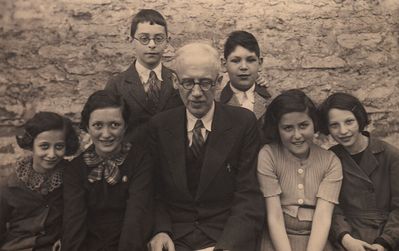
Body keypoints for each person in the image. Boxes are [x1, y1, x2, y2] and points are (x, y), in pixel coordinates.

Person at [147, 42, 264, 251]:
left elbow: (248, 196)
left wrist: (225, 246)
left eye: (205, 83)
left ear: (219, 82)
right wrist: (160, 230)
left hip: (224, 237)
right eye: (188, 83)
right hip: (174, 238)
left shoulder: (242, 123)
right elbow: (154, 191)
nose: (197, 92)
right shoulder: (160, 126)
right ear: (175, 81)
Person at [62, 90, 153, 251]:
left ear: (125, 126)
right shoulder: (75, 169)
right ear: (87, 128)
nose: (106, 134)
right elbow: (73, 222)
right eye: (98, 125)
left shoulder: (140, 161)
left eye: (115, 125)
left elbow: (136, 217)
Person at [257, 89, 342, 251]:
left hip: (316, 239)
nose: (297, 135)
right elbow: (274, 215)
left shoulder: (330, 161)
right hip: (278, 237)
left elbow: (323, 217)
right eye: (288, 128)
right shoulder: (268, 155)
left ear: (314, 124)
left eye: (303, 125)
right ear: (277, 129)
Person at [318, 92, 399, 251]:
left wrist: (384, 243)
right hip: (345, 238)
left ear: (360, 120)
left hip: (385, 238)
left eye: (349, 122)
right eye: (334, 125)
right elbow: (330, 208)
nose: (343, 131)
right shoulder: (330, 158)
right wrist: (345, 238)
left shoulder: (390, 155)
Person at [0, 112, 79, 251]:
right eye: (44, 146)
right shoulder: (9, 185)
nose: (52, 154)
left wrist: (66, 238)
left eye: (59, 146)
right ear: (31, 145)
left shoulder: (72, 177)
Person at [105, 9, 183, 144]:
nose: (152, 45)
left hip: (169, 158)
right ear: (131, 40)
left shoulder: (178, 80)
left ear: (167, 41)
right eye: (144, 39)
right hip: (132, 158)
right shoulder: (117, 84)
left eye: (158, 39)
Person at [219, 30, 271, 122]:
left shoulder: (271, 99)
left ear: (260, 63)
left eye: (250, 60)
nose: (243, 67)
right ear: (224, 65)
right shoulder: (216, 102)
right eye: (236, 61)